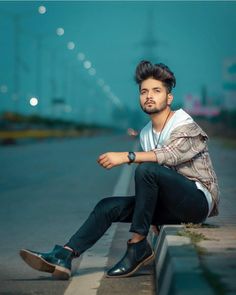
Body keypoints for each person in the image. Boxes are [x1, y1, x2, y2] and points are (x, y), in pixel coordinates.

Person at [19, 60, 219, 280]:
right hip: (169, 204)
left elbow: (169, 156)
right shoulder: (145, 133)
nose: (149, 96)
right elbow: (152, 184)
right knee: (107, 206)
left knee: (146, 169)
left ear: (169, 97)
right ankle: (64, 255)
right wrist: (151, 217)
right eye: (144, 92)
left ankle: (137, 246)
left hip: (196, 202)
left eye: (156, 91)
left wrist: (126, 157)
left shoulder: (184, 124)